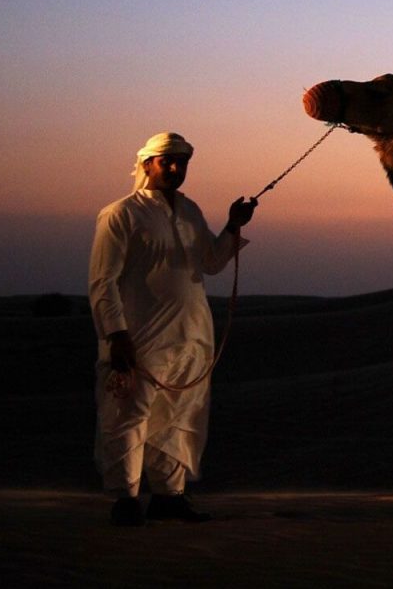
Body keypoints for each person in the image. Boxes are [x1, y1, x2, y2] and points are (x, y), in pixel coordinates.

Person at [89, 132, 256, 526]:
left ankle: (169, 496)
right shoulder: (120, 214)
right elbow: (102, 282)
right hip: (138, 337)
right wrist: (116, 334)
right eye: (168, 161)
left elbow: (211, 263)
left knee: (181, 414)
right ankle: (126, 500)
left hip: (191, 335)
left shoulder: (191, 211)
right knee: (129, 414)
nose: (176, 169)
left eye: (182, 162)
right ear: (147, 164)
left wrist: (232, 226)